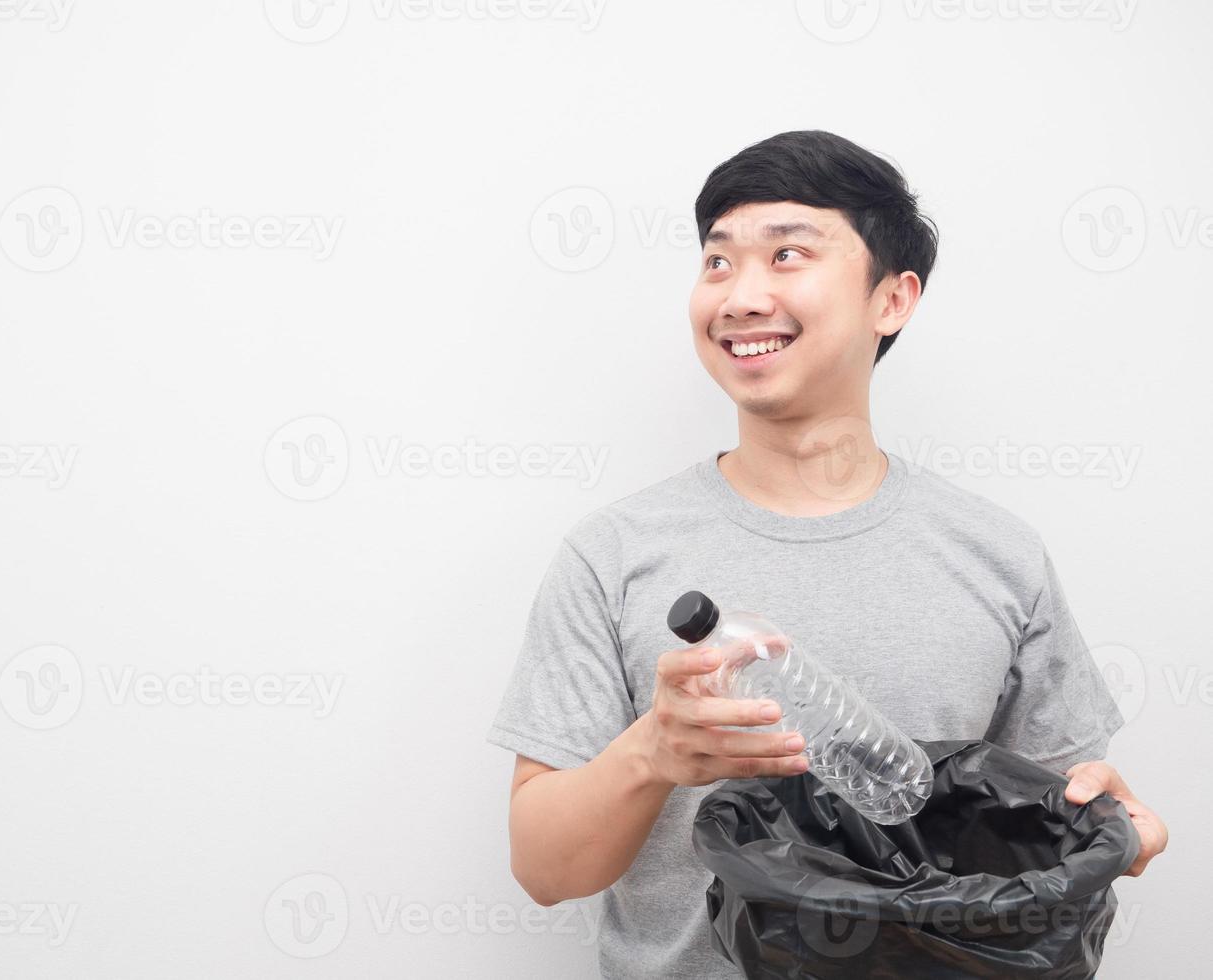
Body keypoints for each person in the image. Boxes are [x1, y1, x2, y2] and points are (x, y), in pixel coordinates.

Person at [486, 130, 1167, 979]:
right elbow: (547, 873)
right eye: (717, 262)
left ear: (892, 299)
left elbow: (1059, 821)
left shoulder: (997, 556)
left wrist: (1115, 824)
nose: (739, 296)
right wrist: (651, 753)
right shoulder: (613, 555)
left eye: (787, 254)